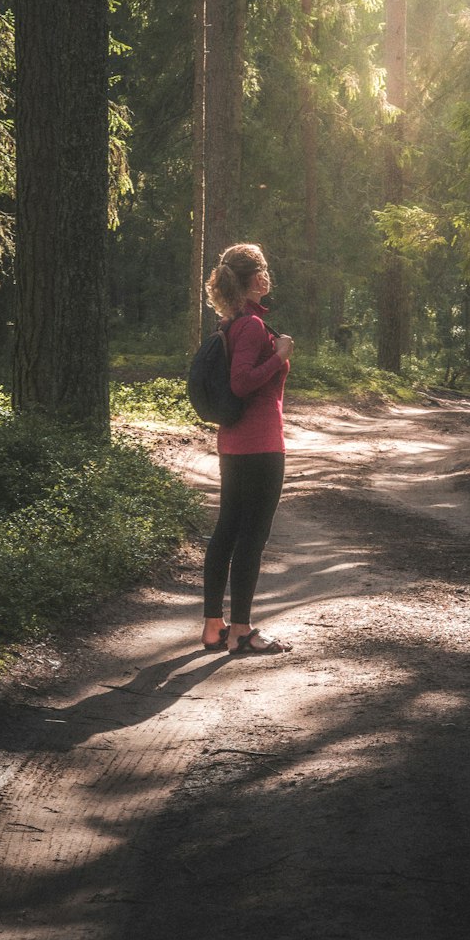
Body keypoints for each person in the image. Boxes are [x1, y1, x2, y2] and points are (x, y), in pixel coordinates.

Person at [200, 243, 294, 656]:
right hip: (260, 445)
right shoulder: (253, 327)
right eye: (264, 270)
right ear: (255, 279)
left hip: (233, 442)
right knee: (251, 538)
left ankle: (213, 626)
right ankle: (240, 630)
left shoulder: (231, 323)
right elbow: (241, 383)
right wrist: (279, 357)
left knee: (226, 532)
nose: (268, 276)